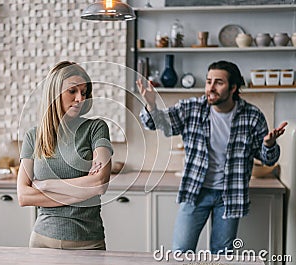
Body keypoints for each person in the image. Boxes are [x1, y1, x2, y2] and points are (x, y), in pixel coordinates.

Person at [137, 60, 287, 254]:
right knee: (181, 252)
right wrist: (151, 104)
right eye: (209, 81)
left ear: (233, 87)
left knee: (222, 254)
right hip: (195, 191)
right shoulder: (191, 108)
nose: (211, 88)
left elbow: (269, 160)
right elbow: (158, 123)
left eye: (218, 82)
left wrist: (268, 144)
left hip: (229, 195)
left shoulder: (252, 116)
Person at [17, 61, 113, 250]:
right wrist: (83, 190)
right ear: (54, 92)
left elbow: (100, 183)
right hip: (41, 241)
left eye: (84, 93)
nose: (79, 98)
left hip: (87, 242)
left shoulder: (96, 128)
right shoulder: (33, 136)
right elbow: (24, 196)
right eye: (72, 91)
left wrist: (46, 185)